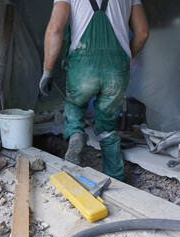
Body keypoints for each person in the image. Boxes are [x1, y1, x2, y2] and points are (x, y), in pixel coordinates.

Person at [39, 0, 149, 181]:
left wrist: (47, 70)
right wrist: (125, 58)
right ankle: (115, 181)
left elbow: (55, 29)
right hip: (116, 70)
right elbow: (143, 33)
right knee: (108, 126)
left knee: (75, 105)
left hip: (83, 67)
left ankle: (76, 134)